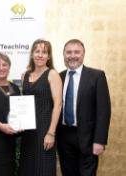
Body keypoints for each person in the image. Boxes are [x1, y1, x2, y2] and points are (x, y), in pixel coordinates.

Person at [56, 39, 111, 176]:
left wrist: (100, 140)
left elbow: (103, 111)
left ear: (83, 54)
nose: (72, 55)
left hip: (88, 138)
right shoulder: (58, 77)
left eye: (77, 52)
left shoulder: (97, 76)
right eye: (69, 52)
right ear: (64, 54)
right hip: (64, 137)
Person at [18, 39, 62, 176]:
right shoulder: (25, 75)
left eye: (44, 52)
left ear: (49, 56)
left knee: (43, 169)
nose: (40, 55)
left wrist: (51, 133)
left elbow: (58, 105)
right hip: (28, 131)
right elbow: (22, 103)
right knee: (28, 168)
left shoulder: (52, 74)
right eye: (37, 51)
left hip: (45, 130)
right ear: (32, 54)